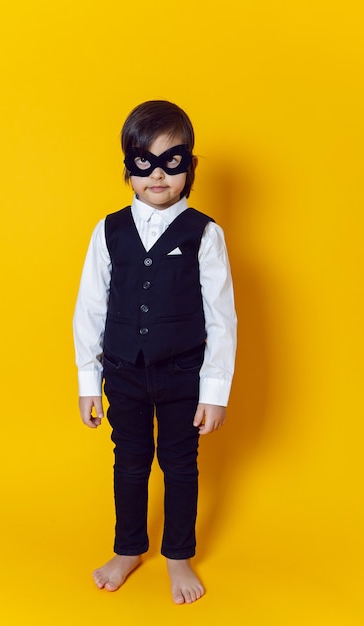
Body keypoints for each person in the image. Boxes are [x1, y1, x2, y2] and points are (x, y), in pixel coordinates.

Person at [73, 100, 237, 604]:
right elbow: (89, 309)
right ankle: (128, 548)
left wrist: (214, 392)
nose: (159, 175)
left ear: (189, 168)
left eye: (173, 161)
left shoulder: (205, 234)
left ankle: (178, 556)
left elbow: (222, 318)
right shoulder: (109, 231)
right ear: (129, 169)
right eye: (145, 162)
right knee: (130, 462)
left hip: (183, 374)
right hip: (122, 372)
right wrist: (87, 381)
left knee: (180, 465)